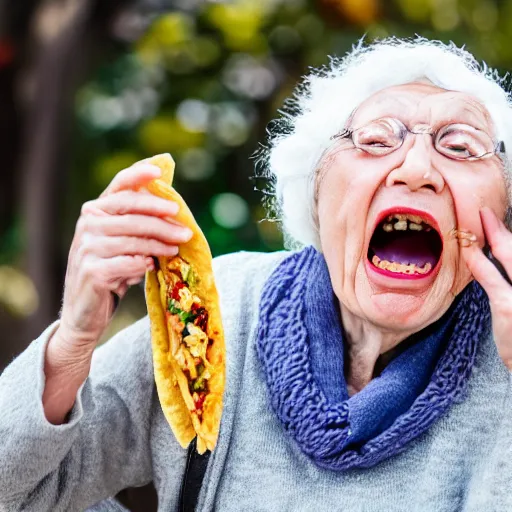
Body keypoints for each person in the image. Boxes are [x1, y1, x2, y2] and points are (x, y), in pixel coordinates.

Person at [1, 36, 512, 512]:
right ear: (315, 189)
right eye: (377, 141)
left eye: (462, 147)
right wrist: (73, 341)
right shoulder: (215, 313)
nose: (417, 169)